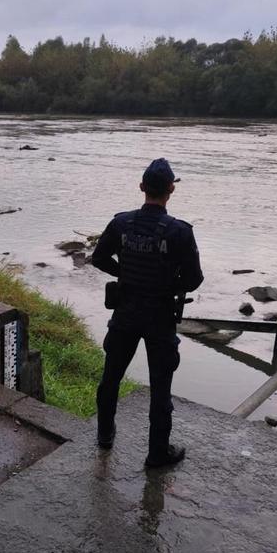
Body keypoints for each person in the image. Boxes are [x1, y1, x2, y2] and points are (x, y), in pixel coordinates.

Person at [91, 158, 204, 467]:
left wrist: (124, 273)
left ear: (142, 188)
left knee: (111, 377)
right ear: (171, 190)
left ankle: (104, 435)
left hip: (125, 312)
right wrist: (168, 284)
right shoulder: (180, 232)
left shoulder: (121, 223)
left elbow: (98, 258)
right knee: (160, 387)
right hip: (160, 317)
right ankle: (157, 454)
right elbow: (194, 280)